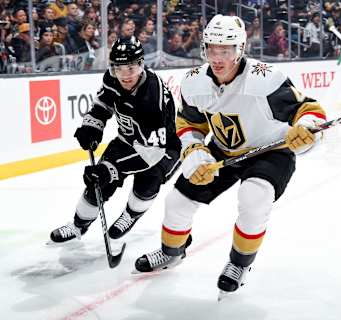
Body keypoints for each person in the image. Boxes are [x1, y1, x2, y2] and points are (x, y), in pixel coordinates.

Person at [134, 15, 326, 296]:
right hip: (223, 150)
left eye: (226, 50)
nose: (218, 57)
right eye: (212, 49)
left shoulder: (266, 78)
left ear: (240, 49)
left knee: (254, 197)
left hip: (270, 151)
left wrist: (309, 129)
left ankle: (239, 263)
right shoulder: (193, 82)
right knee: (177, 201)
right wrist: (194, 149)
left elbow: (307, 109)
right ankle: (172, 252)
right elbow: (189, 124)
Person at [49, 37, 181, 243]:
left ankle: (131, 214)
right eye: (119, 69)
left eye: (131, 68)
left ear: (141, 65)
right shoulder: (111, 79)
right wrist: (91, 127)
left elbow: (151, 152)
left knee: (147, 182)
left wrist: (110, 170)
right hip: (127, 140)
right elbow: (102, 105)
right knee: (97, 185)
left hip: (164, 148)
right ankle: (77, 226)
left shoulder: (151, 98)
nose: (125, 75)